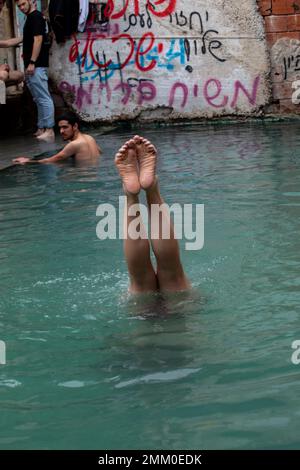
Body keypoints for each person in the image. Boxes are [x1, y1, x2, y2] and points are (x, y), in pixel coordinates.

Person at [115, 135, 190, 293]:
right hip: (181, 309)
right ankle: (152, 188)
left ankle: (131, 195)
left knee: (139, 280)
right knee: (173, 273)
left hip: (141, 310)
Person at [14, 0, 55, 141]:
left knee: (43, 98)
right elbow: (23, 39)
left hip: (36, 65)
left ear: (31, 1)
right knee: (38, 98)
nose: (21, 8)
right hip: (31, 66)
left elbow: (38, 40)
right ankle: (42, 127)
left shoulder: (36, 17)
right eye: (18, 6)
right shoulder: (30, 18)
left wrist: (32, 62)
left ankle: (49, 129)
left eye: (23, 4)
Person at [13, 112, 101, 164]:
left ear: (75, 126)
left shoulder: (74, 144)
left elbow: (52, 160)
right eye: (60, 128)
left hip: (81, 180)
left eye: (65, 127)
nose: (61, 131)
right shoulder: (89, 138)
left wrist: (28, 161)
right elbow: (99, 152)